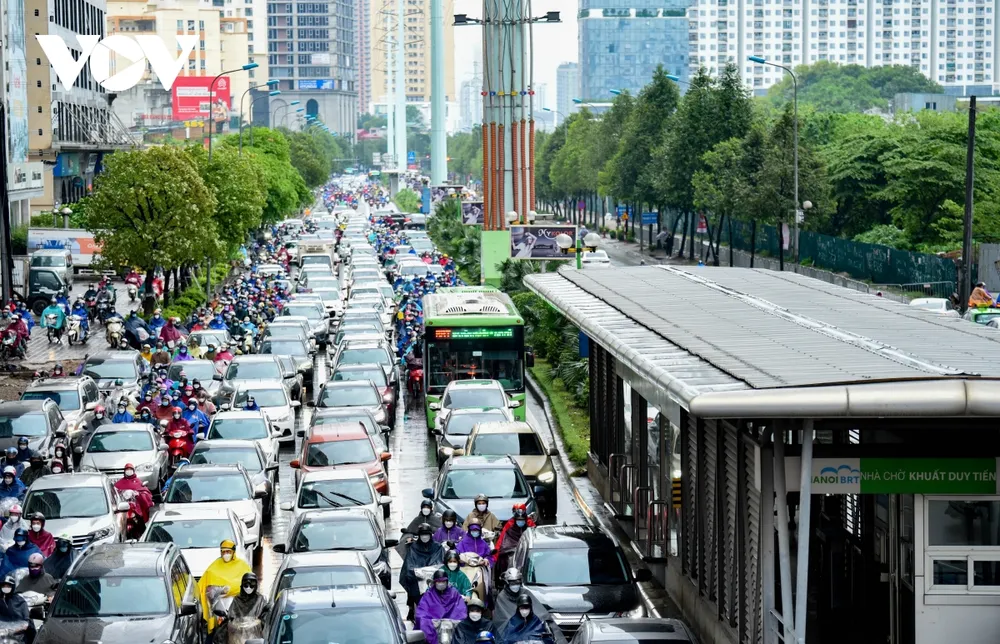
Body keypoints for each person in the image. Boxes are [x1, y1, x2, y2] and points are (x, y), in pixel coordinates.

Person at [197, 540, 253, 636]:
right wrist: (220, 591)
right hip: (219, 608)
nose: (226, 554)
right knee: (217, 634)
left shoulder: (242, 566)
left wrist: (230, 589)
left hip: (238, 607)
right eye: (224, 552)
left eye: (228, 552)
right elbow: (205, 586)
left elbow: (249, 585)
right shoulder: (214, 566)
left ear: (233, 552)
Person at [400, 523, 445, 620]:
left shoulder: (437, 548)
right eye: (422, 534)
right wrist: (417, 573)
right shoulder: (413, 548)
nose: (425, 537)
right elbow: (409, 567)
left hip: (435, 580)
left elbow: (441, 563)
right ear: (419, 536)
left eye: (427, 534)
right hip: (418, 582)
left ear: (430, 535)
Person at [415, 568, 468, 644]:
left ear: (447, 582)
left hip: (451, 626)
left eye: (443, 581)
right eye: (439, 581)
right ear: (434, 582)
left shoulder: (454, 593)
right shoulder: (428, 595)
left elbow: (461, 611)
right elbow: (421, 613)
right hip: (433, 625)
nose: (441, 583)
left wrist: (453, 622)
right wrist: (431, 622)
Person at [216, 572, 269, 642]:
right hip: (237, 636)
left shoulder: (260, 599)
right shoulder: (237, 599)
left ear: (256, 585)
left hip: (255, 636)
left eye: (251, 584)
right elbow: (231, 617)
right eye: (246, 585)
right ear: (242, 585)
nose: (248, 587)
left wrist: (259, 622)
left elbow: (265, 616)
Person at [494, 504, 535, 568]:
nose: (520, 522)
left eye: (522, 520)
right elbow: (503, 543)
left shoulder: (530, 527)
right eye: (519, 520)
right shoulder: (510, 528)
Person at [0, 575, 33, 641]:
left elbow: (26, 621)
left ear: (13, 587)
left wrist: (16, 629)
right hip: (2, 634)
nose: (5, 588)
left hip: (19, 635)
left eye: (8, 586)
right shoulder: (1, 600)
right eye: (4, 586)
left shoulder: (20, 601)